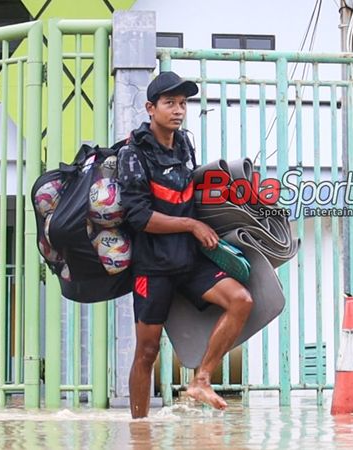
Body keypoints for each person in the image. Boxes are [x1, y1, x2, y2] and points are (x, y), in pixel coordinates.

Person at [117, 71, 255, 419]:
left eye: (182, 103)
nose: (178, 110)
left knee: (241, 300)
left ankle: (201, 379)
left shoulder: (184, 144)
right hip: (153, 266)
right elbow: (139, 217)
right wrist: (191, 225)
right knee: (147, 352)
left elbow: (189, 195)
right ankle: (139, 428)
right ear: (150, 108)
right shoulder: (132, 154)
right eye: (169, 103)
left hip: (191, 259)